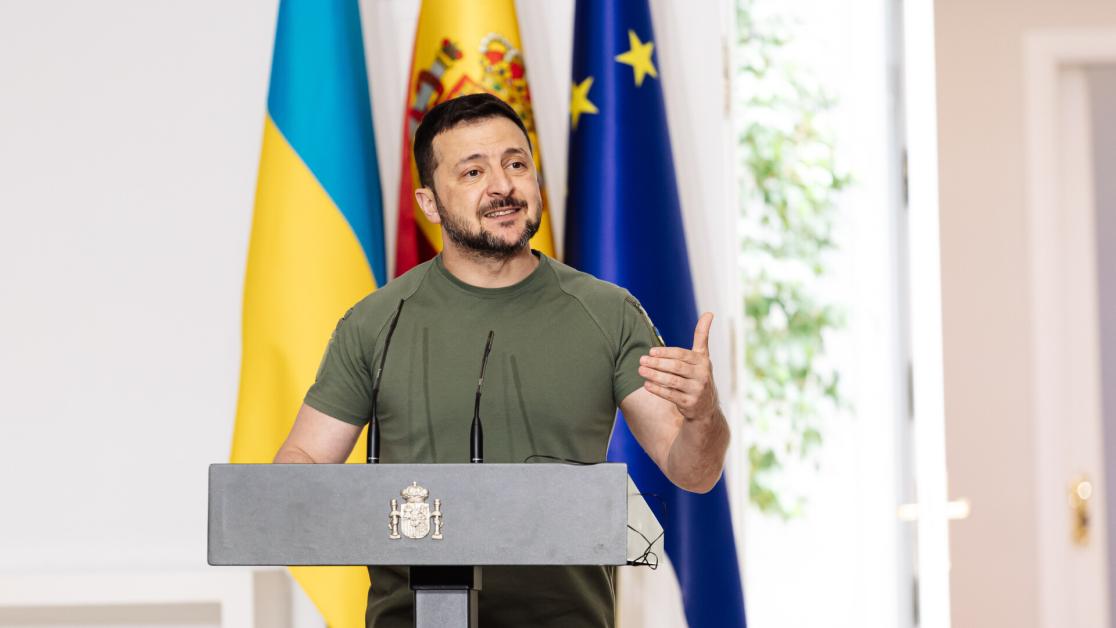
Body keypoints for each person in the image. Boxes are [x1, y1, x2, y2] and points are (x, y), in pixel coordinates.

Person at [274, 93, 730, 628]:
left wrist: (704, 413)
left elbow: (693, 470)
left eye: (516, 164)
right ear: (429, 203)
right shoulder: (376, 323)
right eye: (473, 172)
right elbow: (302, 464)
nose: (502, 187)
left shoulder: (609, 313)